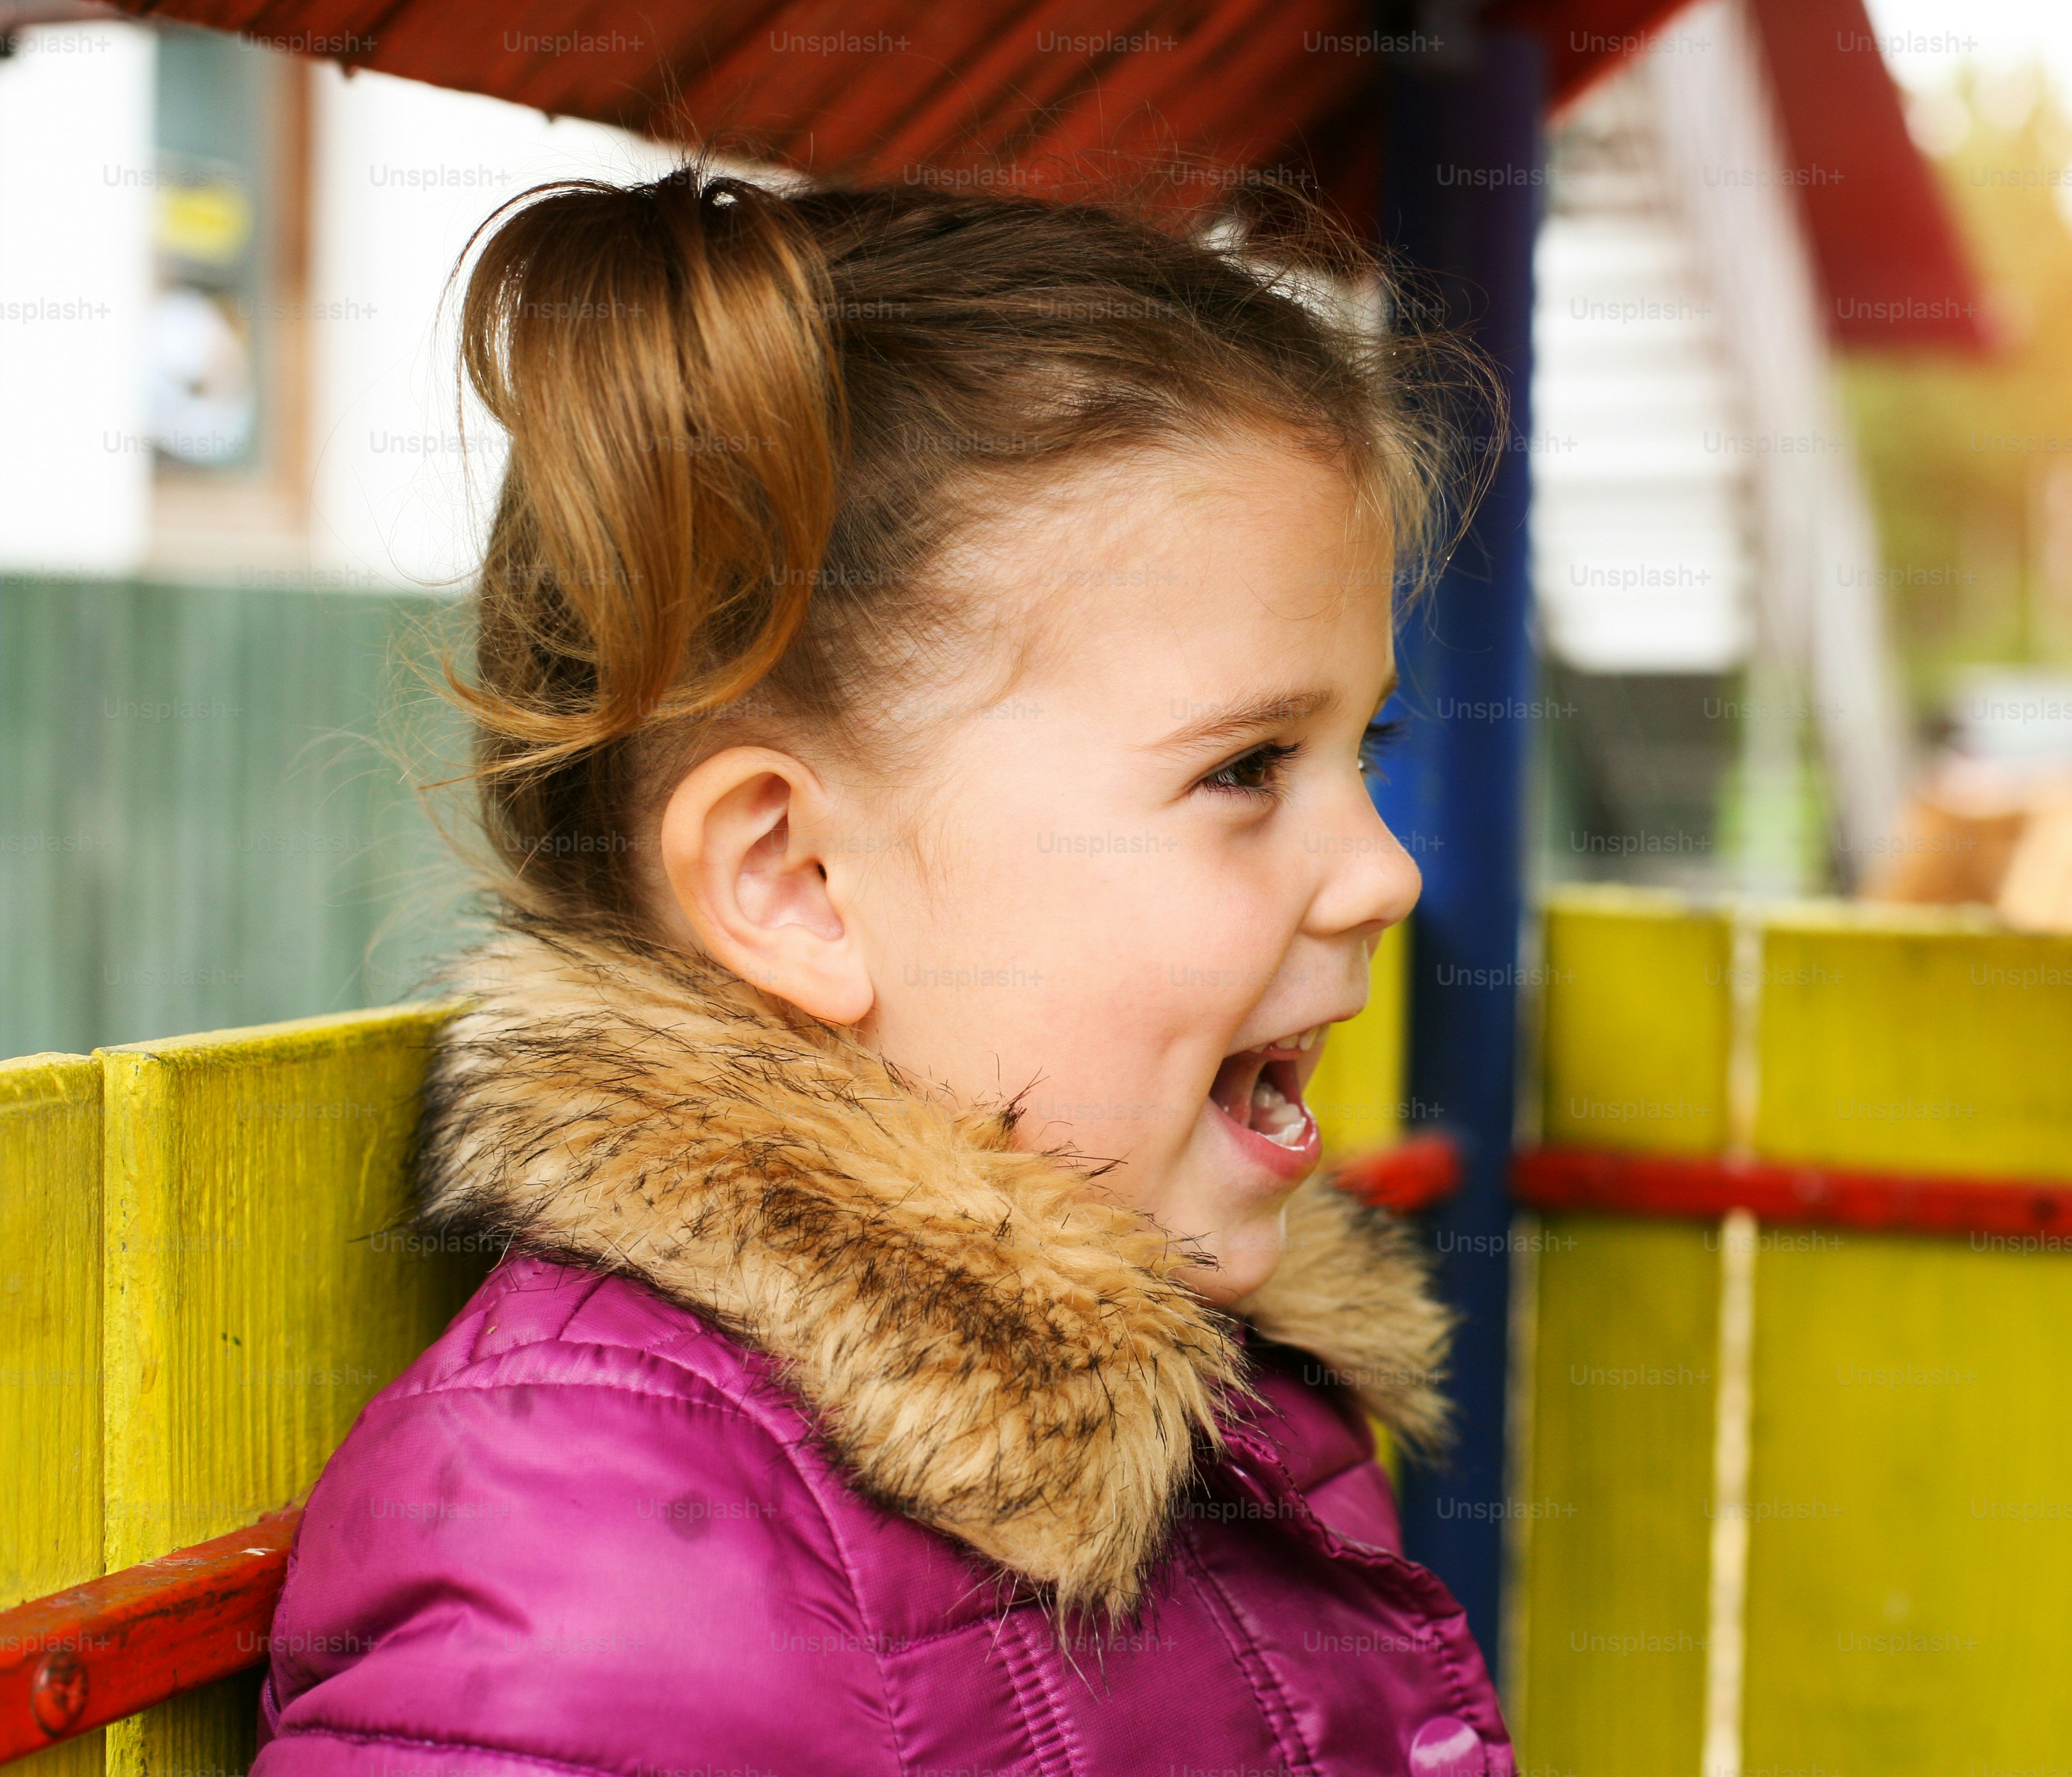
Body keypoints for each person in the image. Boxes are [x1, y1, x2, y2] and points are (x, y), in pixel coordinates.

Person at [252, 166, 1512, 1776]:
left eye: (1366, 745)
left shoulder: (1230, 1382)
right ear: (794, 884)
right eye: (1248, 767)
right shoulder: (613, 1541)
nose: (1385, 870)